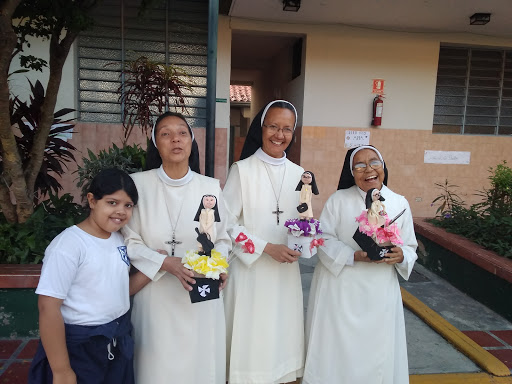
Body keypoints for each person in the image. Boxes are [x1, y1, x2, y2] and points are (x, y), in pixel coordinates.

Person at [121, 111, 231, 384]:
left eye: (182, 132)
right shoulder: (137, 184)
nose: (175, 140)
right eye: (165, 134)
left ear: (192, 141)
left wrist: (218, 265)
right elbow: (128, 239)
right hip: (155, 295)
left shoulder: (210, 187)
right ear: (156, 144)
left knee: (200, 365)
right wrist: (164, 263)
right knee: (156, 366)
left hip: (199, 293)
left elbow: (225, 237)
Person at [303, 145, 418, 384]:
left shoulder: (399, 203)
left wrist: (401, 255)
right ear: (351, 172)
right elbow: (323, 239)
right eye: (359, 165)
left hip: (379, 292)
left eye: (374, 162)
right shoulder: (338, 200)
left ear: (383, 166)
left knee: (377, 351)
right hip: (341, 292)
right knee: (337, 351)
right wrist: (353, 256)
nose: (368, 170)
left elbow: (410, 247)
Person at [28, 168, 138, 384]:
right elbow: (48, 307)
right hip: (80, 349)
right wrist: (62, 370)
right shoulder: (69, 245)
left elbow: (118, 290)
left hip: (116, 343)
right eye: (112, 202)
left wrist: (159, 265)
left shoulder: (119, 239)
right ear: (92, 200)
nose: (121, 211)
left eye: (128, 205)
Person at [223, 100, 305, 384]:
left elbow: (303, 221)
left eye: (286, 129)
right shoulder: (242, 170)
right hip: (251, 273)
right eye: (273, 126)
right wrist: (265, 247)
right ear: (261, 128)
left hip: (284, 275)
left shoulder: (300, 175)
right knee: (252, 337)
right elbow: (227, 225)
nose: (279, 135)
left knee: (280, 337)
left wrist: (308, 239)